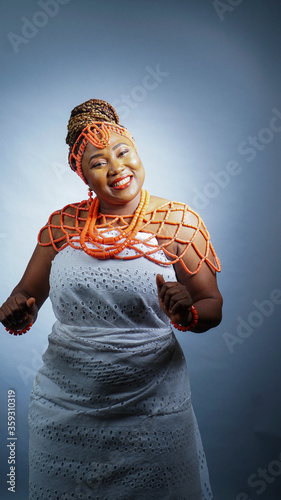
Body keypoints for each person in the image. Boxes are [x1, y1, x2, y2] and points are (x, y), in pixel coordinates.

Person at [0, 99, 222, 500]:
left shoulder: (176, 222)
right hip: (65, 410)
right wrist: (17, 308)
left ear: (136, 151)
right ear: (82, 174)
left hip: (151, 411)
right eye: (98, 162)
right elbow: (26, 294)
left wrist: (186, 311)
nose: (117, 167)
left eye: (123, 152)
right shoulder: (63, 225)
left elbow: (212, 305)